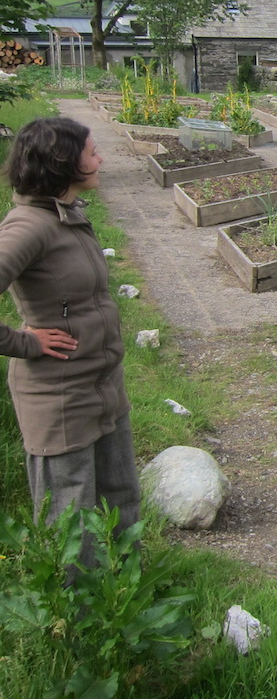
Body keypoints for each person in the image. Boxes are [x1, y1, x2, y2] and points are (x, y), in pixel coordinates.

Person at [0, 116, 139, 542]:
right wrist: (25, 342)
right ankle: (78, 610)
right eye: (92, 152)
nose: (101, 158)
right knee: (72, 526)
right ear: (63, 163)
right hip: (59, 397)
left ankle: (125, 602)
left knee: (121, 503)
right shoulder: (28, 227)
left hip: (102, 387)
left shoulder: (67, 216)